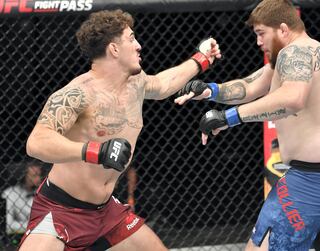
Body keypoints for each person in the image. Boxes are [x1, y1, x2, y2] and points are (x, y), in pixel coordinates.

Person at [175, 0, 320, 250]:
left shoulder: (295, 52)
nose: (258, 42)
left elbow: (292, 99)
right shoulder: (309, 53)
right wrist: (208, 90)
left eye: (261, 34)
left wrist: (228, 118)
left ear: (282, 29)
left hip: (317, 181)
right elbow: (249, 87)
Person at [20, 9, 221, 251]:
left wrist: (202, 59)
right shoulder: (77, 93)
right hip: (61, 210)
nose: (138, 46)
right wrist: (96, 151)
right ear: (114, 49)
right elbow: (37, 142)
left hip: (105, 212)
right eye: (131, 39)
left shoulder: (135, 83)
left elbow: (163, 83)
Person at [1, 159, 42, 248]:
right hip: (16, 239)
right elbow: (9, 225)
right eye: (34, 175)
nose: (38, 178)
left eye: (39, 175)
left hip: (39, 238)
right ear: (24, 176)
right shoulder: (9, 193)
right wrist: (37, 225)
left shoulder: (42, 193)